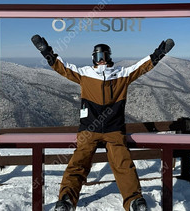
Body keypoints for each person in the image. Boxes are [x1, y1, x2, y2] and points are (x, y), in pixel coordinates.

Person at [31, 35, 175, 211]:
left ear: (110, 57)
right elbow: (62, 67)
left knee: (123, 164)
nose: (102, 61)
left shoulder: (122, 74)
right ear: (93, 58)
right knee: (78, 162)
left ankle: (134, 200)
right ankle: (67, 199)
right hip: (89, 130)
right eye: (99, 57)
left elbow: (142, 67)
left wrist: (159, 53)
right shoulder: (85, 74)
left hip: (114, 130)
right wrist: (46, 51)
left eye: (105, 57)